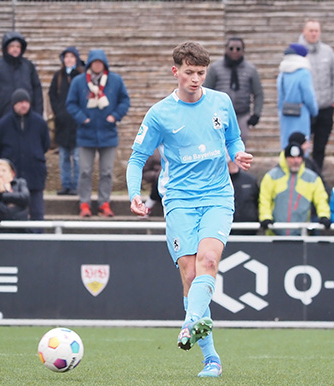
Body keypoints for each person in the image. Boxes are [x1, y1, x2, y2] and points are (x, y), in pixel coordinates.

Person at [126, 41, 253, 378]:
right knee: (190, 275)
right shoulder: (160, 113)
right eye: (189, 72)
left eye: (200, 72)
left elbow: (233, 139)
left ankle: (189, 325)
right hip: (180, 200)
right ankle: (210, 357)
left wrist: (238, 153)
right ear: (176, 72)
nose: (195, 79)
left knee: (208, 261)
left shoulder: (221, 102)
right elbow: (137, 158)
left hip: (217, 196)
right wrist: (133, 194)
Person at [66, 49, 130, 217]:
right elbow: (71, 104)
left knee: (106, 172)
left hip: (108, 134)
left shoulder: (115, 81)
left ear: (104, 64)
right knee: (85, 171)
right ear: (89, 64)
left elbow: (124, 100)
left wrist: (114, 116)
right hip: (85, 135)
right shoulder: (79, 82)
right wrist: (82, 119)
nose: (97, 65)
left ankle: (104, 203)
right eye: (94, 62)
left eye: (100, 63)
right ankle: (85, 203)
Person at [0, 88, 50, 223]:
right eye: (20, 102)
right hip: (11, 178)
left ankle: (37, 240)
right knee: (11, 212)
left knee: (36, 212)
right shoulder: (3, 124)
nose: (24, 105)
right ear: (13, 105)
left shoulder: (39, 123)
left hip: (34, 173)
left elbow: (45, 144)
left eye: (26, 102)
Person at [259, 142, 330, 236]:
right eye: (292, 158)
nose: (296, 161)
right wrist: (265, 217)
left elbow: (321, 199)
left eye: (299, 157)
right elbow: (264, 200)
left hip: (302, 234)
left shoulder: (312, 178)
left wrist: (324, 216)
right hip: (275, 234)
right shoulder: (271, 176)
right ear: (285, 158)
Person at [203, 37, 264, 144]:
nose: (234, 51)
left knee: (240, 141)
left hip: (242, 114)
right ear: (226, 49)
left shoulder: (250, 70)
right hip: (220, 113)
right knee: (219, 141)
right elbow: (206, 91)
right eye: (231, 48)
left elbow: (258, 93)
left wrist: (256, 114)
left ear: (243, 50)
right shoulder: (215, 68)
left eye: (238, 48)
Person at [0, 31, 43, 127]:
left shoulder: (28, 66)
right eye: (12, 46)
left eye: (18, 47)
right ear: (6, 48)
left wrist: (38, 114)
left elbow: (37, 90)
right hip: (3, 114)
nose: (15, 49)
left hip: (26, 116)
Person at [298, 20, 334, 170]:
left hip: (325, 106)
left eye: (316, 30)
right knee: (302, 145)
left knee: (320, 146)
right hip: (305, 109)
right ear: (304, 31)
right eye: (311, 30)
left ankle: (317, 175)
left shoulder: (328, 51)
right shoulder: (297, 51)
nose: (314, 33)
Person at [49, 46, 85, 195]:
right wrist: (58, 112)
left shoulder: (81, 76)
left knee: (77, 158)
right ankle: (66, 185)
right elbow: (52, 95)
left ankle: (76, 186)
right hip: (62, 124)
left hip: (77, 124)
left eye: (72, 57)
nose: (69, 60)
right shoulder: (59, 76)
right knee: (63, 157)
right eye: (66, 57)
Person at [277, 43, 319, 150]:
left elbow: (280, 98)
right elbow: (309, 96)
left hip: (285, 114)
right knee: (302, 145)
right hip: (301, 115)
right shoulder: (303, 73)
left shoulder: (282, 73)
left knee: (287, 145)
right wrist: (314, 111)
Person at [227, 154, 259, 235]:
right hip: (224, 233)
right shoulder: (216, 182)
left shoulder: (250, 180)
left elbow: (258, 202)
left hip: (249, 232)